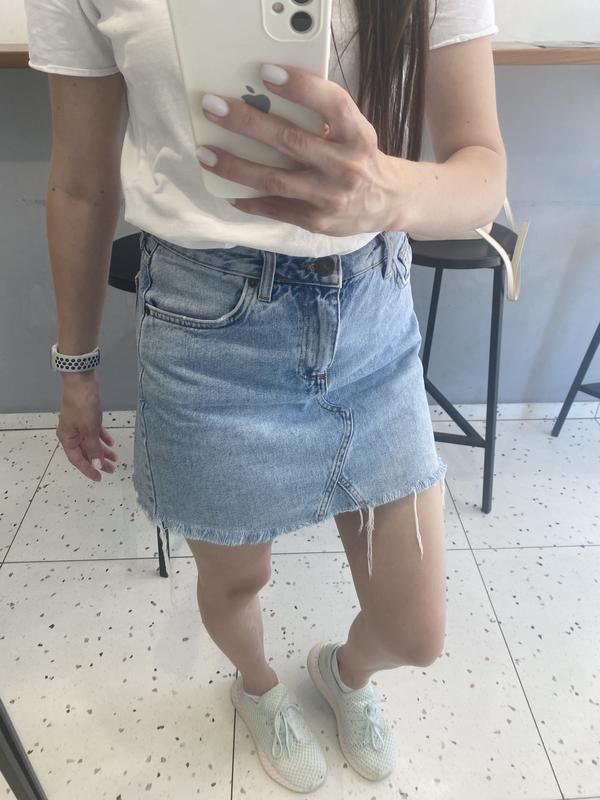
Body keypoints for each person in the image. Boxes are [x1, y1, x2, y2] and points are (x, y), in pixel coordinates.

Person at [25, 0, 506, 792]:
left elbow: (481, 172)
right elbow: (80, 184)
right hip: (206, 330)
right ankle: (257, 687)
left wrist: (384, 189)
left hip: (369, 317)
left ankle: (343, 672)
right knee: (236, 581)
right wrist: (76, 369)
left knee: (415, 632)